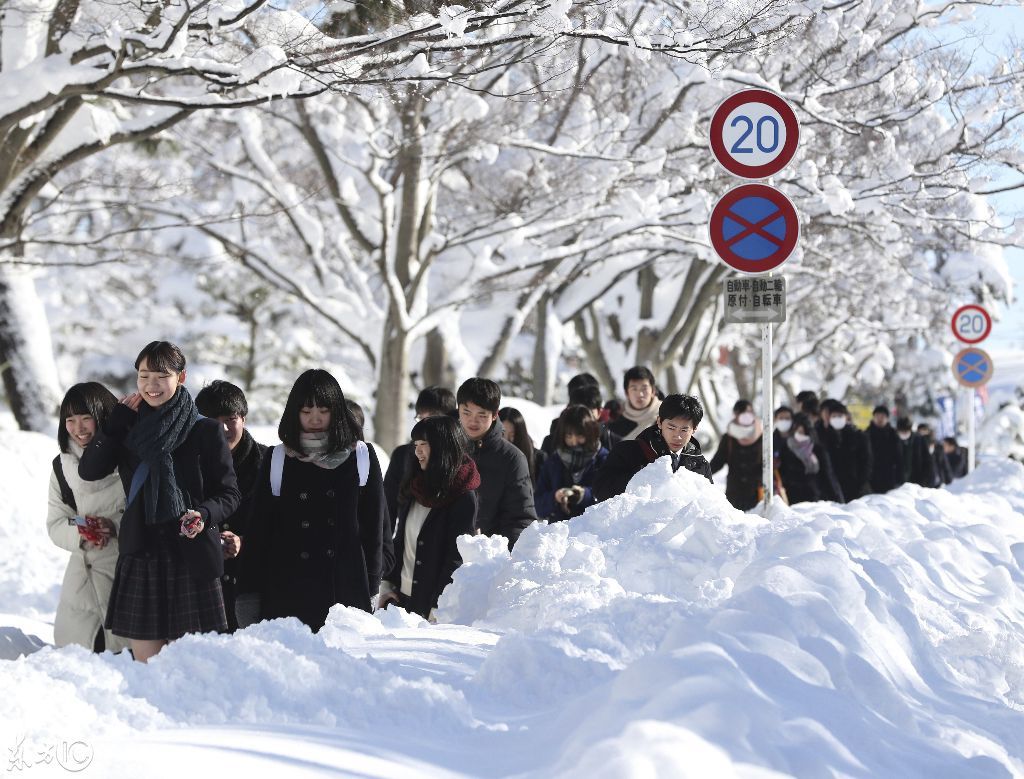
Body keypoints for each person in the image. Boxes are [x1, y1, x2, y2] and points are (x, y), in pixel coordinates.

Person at [79, 342, 240, 663]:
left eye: (160, 376)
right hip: (143, 553)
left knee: (187, 667)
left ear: (181, 378)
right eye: (144, 376)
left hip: (190, 557)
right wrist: (114, 425)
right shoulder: (127, 428)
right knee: (147, 666)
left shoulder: (204, 430)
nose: (151, 385)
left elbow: (229, 493)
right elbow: (90, 470)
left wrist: (205, 514)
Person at [239, 369, 387, 631]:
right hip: (288, 591)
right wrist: (248, 593)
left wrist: (372, 585)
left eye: (324, 411)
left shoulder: (361, 456)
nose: (315, 419)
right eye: (306, 412)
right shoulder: (278, 458)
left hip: (345, 592)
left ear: (337, 411)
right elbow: (259, 531)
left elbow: (373, 529)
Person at [47, 382, 129, 654]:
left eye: (86, 418)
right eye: (70, 420)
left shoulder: (130, 456)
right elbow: (57, 522)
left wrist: (115, 526)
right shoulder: (63, 466)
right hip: (84, 580)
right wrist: (84, 529)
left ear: (103, 416)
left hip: (130, 572)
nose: (78, 428)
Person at [379, 415, 479, 620]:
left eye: (424, 444)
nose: (418, 451)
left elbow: (456, 557)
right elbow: (401, 540)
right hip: (400, 600)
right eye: (416, 444)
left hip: (430, 610)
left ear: (443, 447)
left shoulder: (462, 495)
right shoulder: (415, 485)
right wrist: (387, 584)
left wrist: (438, 606)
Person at [195, 380, 267, 632]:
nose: (222, 428)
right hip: (201, 588)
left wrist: (244, 541)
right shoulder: (186, 465)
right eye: (213, 421)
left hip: (253, 587)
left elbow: (282, 524)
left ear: (243, 419)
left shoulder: (268, 464)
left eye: (230, 419)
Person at [458, 378, 537, 550]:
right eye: (466, 412)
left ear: (494, 415)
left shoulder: (511, 458)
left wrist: (499, 558)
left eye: (482, 415)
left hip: (486, 558)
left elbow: (520, 518)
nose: (473, 421)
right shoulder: (446, 448)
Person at [594, 393, 712, 502]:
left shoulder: (700, 464)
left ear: (694, 429)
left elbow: (711, 504)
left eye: (684, 430)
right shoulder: (627, 452)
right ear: (659, 422)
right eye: (671, 428)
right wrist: (642, 479)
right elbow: (600, 490)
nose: (677, 436)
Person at [384, 386, 457, 523]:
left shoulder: (459, 459)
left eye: (433, 418)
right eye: (420, 418)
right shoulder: (402, 456)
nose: (425, 425)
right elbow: (388, 508)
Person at [534, 405, 609, 521]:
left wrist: (584, 495)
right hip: (558, 532)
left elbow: (611, 500)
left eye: (580, 435)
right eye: (569, 436)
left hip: (594, 531)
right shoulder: (554, 461)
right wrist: (555, 497)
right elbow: (537, 504)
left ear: (590, 432)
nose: (574, 442)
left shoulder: (604, 459)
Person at [775, 409, 843, 504]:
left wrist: (838, 500)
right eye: (797, 429)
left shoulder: (818, 450)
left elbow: (828, 476)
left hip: (815, 500)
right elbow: (781, 476)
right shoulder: (786, 449)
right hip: (792, 500)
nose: (800, 433)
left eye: (804, 431)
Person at [709, 399, 763, 510]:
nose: (745, 416)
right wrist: (701, 474)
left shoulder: (764, 436)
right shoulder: (729, 438)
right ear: (735, 415)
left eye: (748, 412)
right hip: (734, 494)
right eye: (741, 412)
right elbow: (718, 461)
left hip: (757, 494)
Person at [540, 383, 621, 455]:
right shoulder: (551, 442)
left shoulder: (613, 443)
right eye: (577, 411)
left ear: (599, 412)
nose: (582, 417)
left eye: (589, 413)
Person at [819, 400, 872, 502]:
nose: (837, 419)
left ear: (846, 417)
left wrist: (861, 483)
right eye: (834, 416)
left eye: (840, 416)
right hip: (831, 490)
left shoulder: (859, 436)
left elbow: (866, 462)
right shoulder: (823, 438)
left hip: (856, 488)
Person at [607, 366, 662, 441]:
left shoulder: (667, 416)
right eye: (634, 389)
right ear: (626, 393)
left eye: (644, 388)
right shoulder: (616, 420)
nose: (640, 394)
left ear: (653, 391)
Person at [499, 406, 545, 484]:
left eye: (512, 435)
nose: (506, 440)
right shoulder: (485, 455)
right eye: (502, 434)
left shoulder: (538, 459)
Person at [866, 405, 903, 493]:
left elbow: (899, 457)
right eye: (877, 416)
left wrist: (899, 478)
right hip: (871, 478)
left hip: (889, 476)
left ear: (887, 418)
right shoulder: (866, 434)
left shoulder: (893, 434)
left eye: (882, 416)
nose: (880, 419)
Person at [896, 416, 937, 488]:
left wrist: (925, 481)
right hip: (898, 483)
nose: (904, 434)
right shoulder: (893, 440)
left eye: (906, 431)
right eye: (901, 432)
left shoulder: (919, 440)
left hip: (917, 482)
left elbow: (928, 461)